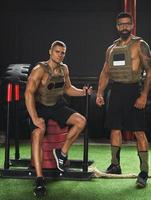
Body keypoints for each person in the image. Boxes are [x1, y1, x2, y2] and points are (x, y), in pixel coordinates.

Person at [25, 40, 92, 197]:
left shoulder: (64, 69)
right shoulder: (39, 69)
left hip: (57, 105)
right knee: (37, 133)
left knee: (81, 121)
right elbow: (28, 93)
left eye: (63, 52)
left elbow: (68, 89)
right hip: (40, 106)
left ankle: (61, 153)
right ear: (50, 52)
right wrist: (34, 118)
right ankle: (40, 179)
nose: (60, 55)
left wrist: (83, 92)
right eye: (57, 52)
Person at [96, 12, 151, 188]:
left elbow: (150, 72)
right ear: (117, 26)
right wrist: (99, 93)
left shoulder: (140, 45)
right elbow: (105, 72)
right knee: (115, 129)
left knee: (139, 132)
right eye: (121, 24)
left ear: (132, 25)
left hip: (133, 90)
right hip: (117, 91)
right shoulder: (111, 48)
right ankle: (115, 165)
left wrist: (143, 95)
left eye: (127, 24)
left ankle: (144, 171)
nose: (124, 27)